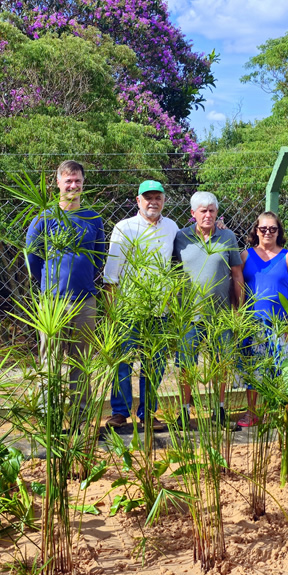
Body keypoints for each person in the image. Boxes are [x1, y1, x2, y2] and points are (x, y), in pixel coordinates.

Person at [23, 160, 106, 405]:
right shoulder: (44, 217)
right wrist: (49, 283)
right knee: (50, 362)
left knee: (82, 361)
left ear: (83, 183)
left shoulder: (93, 218)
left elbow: (98, 257)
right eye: (68, 180)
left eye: (77, 180)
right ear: (58, 182)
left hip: (85, 300)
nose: (73, 185)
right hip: (53, 301)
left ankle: (81, 415)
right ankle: (47, 413)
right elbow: (32, 257)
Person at [102, 179, 179, 431]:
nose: (153, 202)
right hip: (128, 308)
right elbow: (111, 275)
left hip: (160, 309)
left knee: (154, 363)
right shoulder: (124, 228)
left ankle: (148, 412)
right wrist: (112, 313)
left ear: (164, 200)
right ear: (138, 201)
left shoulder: (172, 227)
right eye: (148, 198)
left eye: (158, 197)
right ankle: (119, 412)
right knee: (123, 362)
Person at [171, 191, 244, 426]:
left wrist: (239, 308)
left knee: (220, 363)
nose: (208, 215)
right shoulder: (180, 237)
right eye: (203, 211)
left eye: (212, 211)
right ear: (193, 213)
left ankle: (219, 410)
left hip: (220, 313)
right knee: (186, 365)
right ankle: (184, 411)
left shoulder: (227, 236)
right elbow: (172, 273)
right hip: (189, 314)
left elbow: (237, 274)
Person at [239, 211, 288, 427]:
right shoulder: (245, 256)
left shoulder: (287, 257)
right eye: (263, 228)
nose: (268, 232)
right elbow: (237, 287)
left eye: (272, 229)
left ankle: (275, 412)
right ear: (256, 231)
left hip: (278, 324)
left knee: (278, 368)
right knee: (253, 370)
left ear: (278, 231)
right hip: (252, 323)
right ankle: (252, 413)